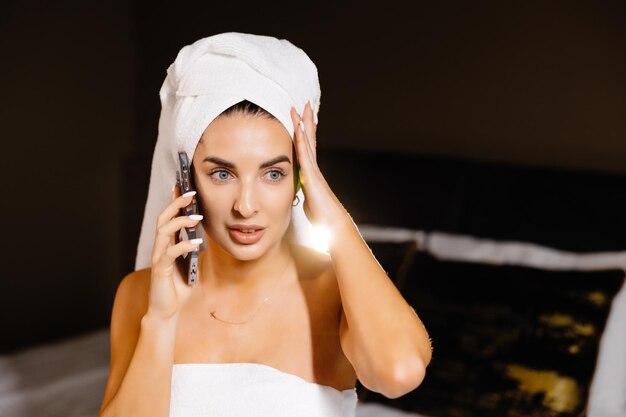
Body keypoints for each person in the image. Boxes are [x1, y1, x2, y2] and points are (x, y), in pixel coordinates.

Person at [98, 33, 432, 417]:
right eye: (222, 174)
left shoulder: (336, 291)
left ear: (300, 179)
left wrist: (334, 218)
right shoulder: (141, 294)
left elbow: (399, 372)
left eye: (273, 173)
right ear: (186, 182)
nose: (246, 206)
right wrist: (162, 320)